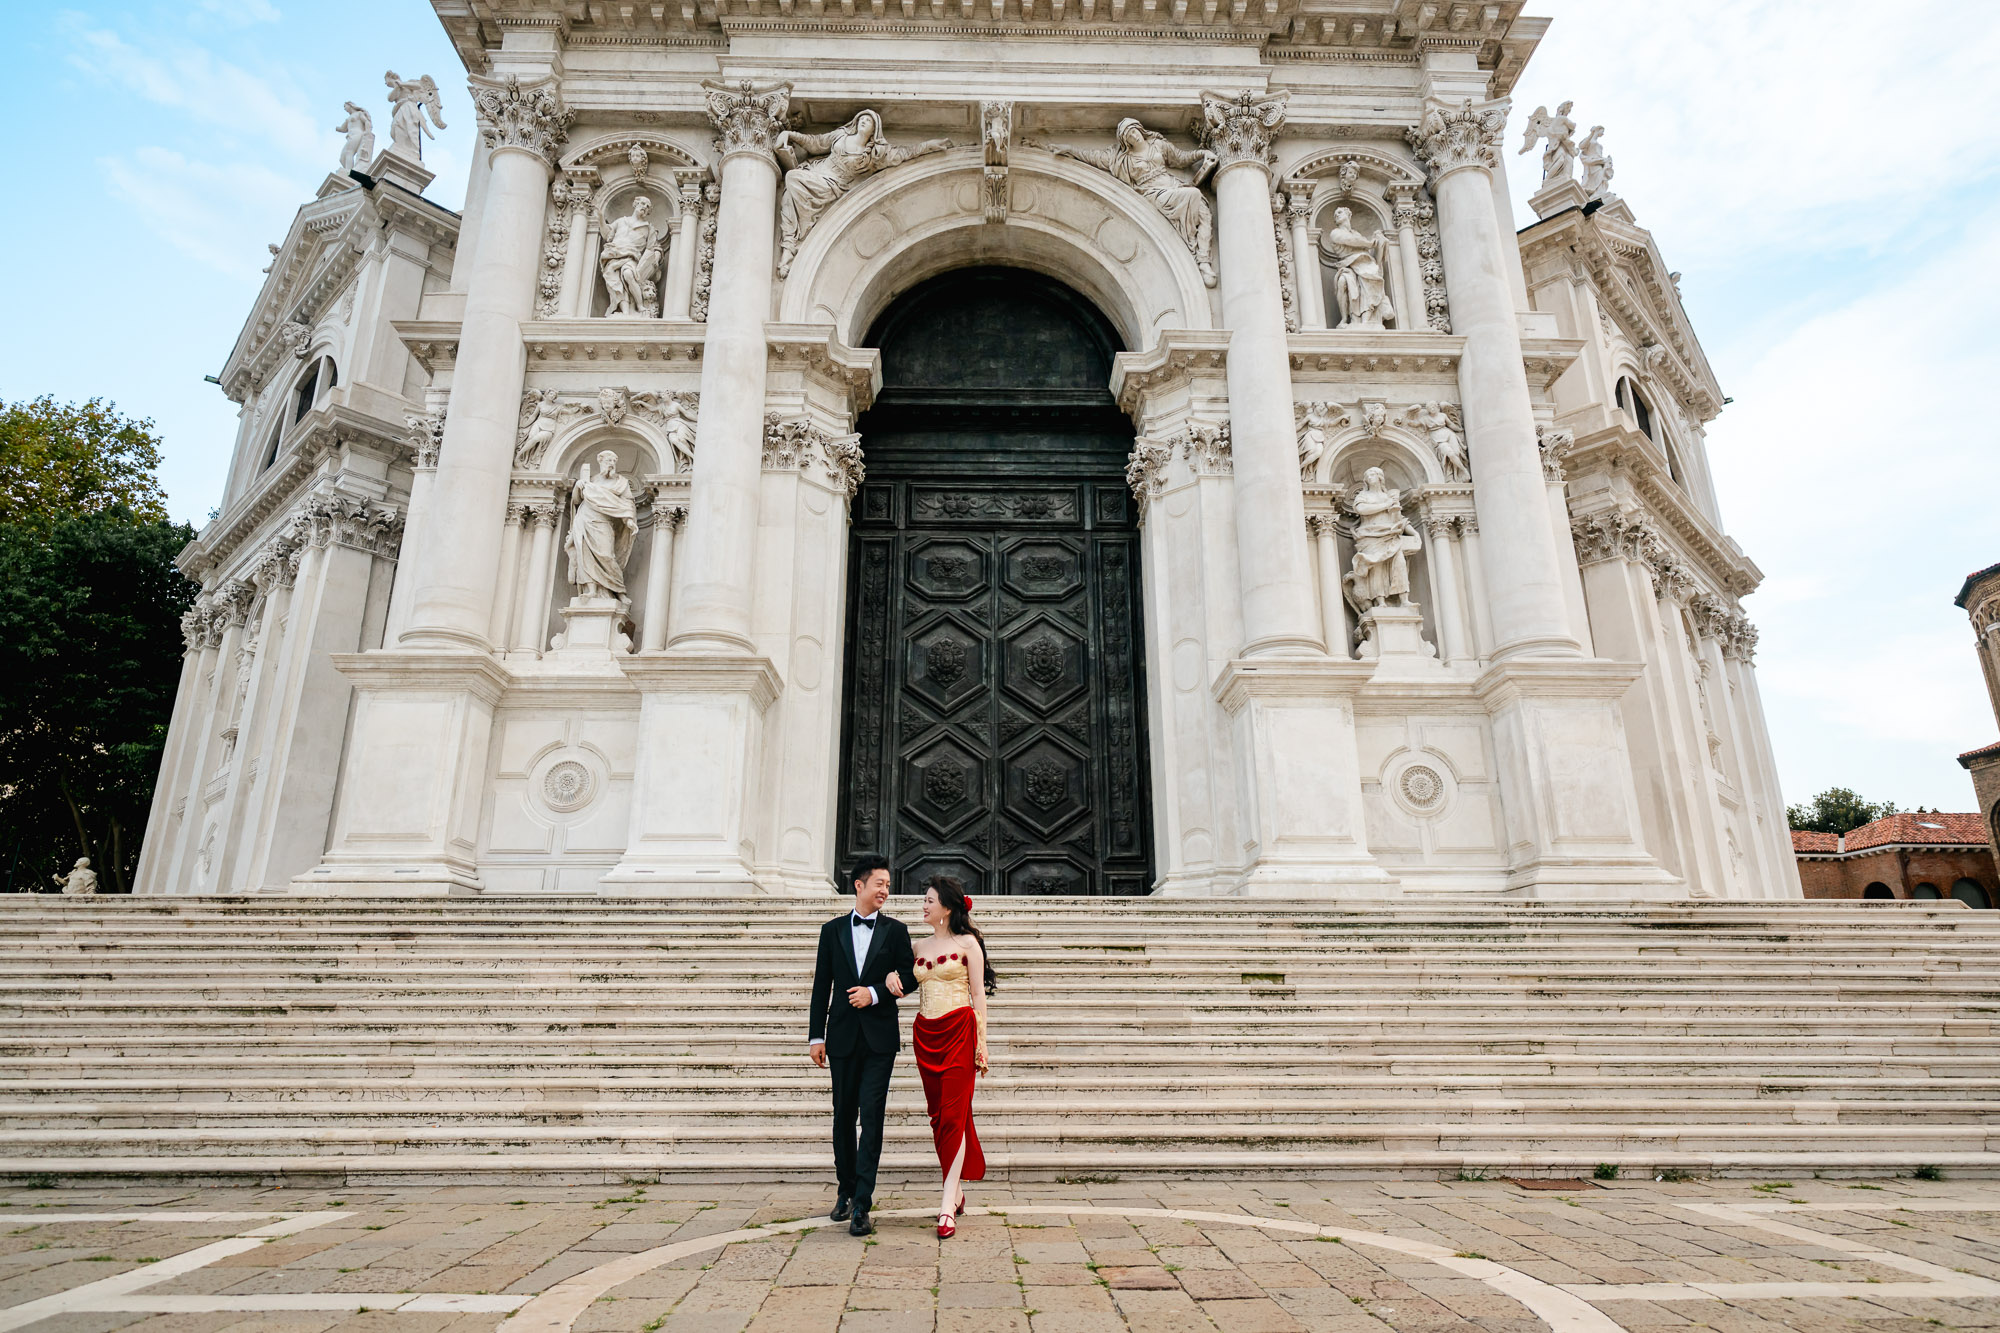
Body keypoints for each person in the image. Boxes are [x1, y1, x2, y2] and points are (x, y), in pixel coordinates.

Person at [808, 854, 917, 1237]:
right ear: (859, 885)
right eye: (879, 884)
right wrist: (816, 1036)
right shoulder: (831, 930)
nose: (885, 890)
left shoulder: (897, 931)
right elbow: (822, 985)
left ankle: (863, 1205)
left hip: (879, 1040)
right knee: (842, 1116)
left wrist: (875, 993)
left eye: (887, 885)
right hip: (839, 1037)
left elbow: (911, 976)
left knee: (871, 1117)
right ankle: (846, 1189)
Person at [898, 875, 993, 1239]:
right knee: (939, 1116)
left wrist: (982, 1044)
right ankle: (957, 1192)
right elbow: (904, 983)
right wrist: (893, 977)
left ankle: (945, 1205)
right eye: (924, 900)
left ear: (947, 907)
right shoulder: (917, 946)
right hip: (925, 1033)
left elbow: (978, 996)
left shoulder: (969, 943)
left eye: (928, 900)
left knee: (954, 1115)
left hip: (959, 1032)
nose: (923, 905)